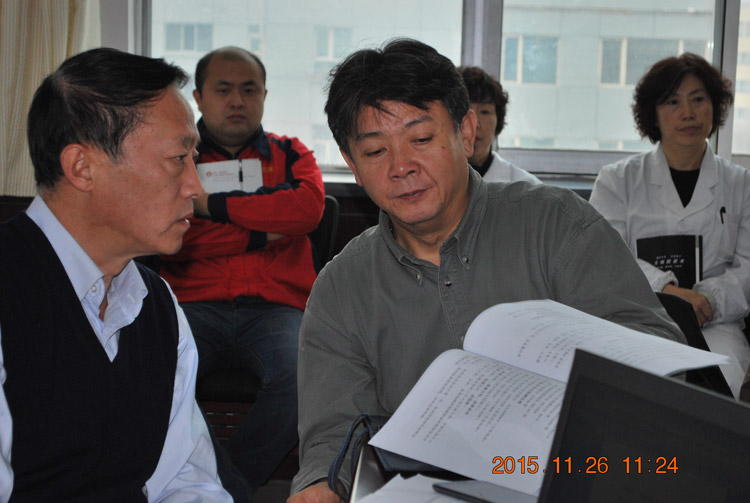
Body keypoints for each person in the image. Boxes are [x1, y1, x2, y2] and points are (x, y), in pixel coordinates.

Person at [288, 38, 684, 503]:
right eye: (375, 151)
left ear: (467, 132)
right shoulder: (341, 289)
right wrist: (321, 484)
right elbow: (335, 435)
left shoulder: (556, 226)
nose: (401, 167)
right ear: (352, 165)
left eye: (421, 139)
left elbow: (658, 359)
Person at [0, 48, 231, 502]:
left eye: (194, 158)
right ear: (82, 167)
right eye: (177, 158)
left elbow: (187, 480)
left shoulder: (157, 304)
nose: (195, 186)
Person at [159, 46, 325, 493]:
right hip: (194, 305)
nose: (237, 101)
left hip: (279, 309)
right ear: (198, 97)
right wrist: (263, 233)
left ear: (264, 95)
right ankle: (224, 487)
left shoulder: (290, 153)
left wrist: (209, 206)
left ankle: (226, 489)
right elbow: (178, 240)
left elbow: (308, 209)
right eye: (223, 90)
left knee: (305, 375)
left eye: (249, 90)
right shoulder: (175, 159)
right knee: (157, 372)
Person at [589, 53, 750, 398]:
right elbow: (605, 258)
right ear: (653, 114)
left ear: (715, 107)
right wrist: (668, 292)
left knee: (719, 394)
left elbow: (747, 266)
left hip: (717, 325)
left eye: (698, 99)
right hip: (638, 318)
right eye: (673, 102)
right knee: (636, 397)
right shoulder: (617, 181)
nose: (687, 113)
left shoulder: (742, 184)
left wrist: (709, 300)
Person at [458, 65, 541, 184]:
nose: (475, 124)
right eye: (466, 112)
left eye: (485, 112)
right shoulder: (431, 180)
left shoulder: (526, 186)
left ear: (498, 120)